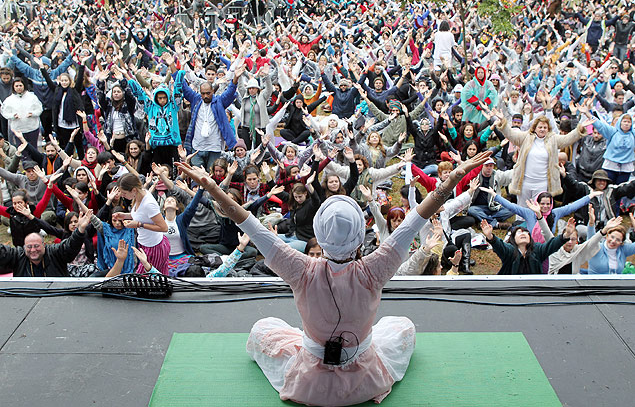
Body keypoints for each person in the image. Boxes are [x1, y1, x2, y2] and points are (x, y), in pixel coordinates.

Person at [174, 150, 491, 406]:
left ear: (319, 235)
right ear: (358, 236)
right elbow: (416, 218)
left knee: (262, 329)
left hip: (309, 382)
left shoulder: (299, 268)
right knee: (403, 326)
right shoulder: (375, 269)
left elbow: (249, 223)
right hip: (366, 379)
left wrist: (212, 187)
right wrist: (451, 179)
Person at [181, 65, 245, 171]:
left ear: (213, 92)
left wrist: (235, 79)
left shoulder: (219, 101)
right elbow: (184, 87)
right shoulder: (195, 100)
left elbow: (229, 93)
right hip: (197, 147)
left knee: (212, 178)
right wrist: (172, 66)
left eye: (208, 93)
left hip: (214, 147)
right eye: (203, 94)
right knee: (198, 178)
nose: (205, 96)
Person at [0, 210, 92, 276]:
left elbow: (70, 246)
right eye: (29, 247)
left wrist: (80, 230)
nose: (33, 250)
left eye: (36, 246)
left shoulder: (54, 252)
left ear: (44, 245)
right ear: (24, 247)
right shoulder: (18, 255)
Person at [114, 173, 169, 274]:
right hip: (144, 243)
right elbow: (141, 215)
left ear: (133, 190)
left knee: (147, 278)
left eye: (124, 193)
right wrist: (125, 215)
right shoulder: (138, 195)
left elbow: (164, 227)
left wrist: (139, 225)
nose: (122, 195)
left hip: (154, 247)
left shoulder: (149, 204)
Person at [480, 217, 576, 275]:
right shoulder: (509, 250)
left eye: (526, 232)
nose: (523, 234)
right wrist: (490, 236)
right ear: (514, 238)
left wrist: (566, 235)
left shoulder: (538, 249)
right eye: (519, 233)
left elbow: (552, 244)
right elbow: (500, 246)